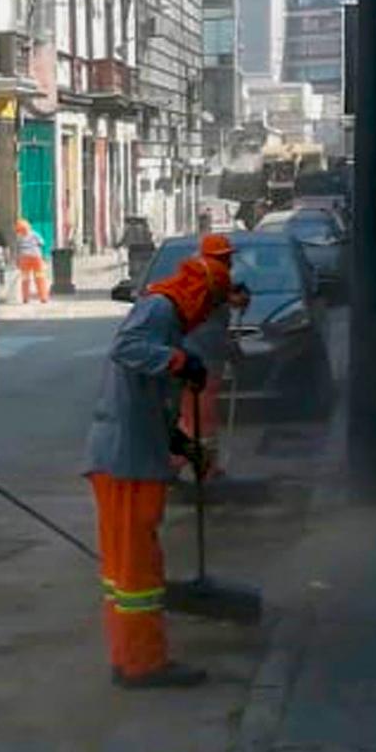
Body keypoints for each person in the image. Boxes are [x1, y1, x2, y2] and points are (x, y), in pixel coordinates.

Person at [86, 250, 231, 689]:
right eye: (211, 305)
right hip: (128, 463)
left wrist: (185, 445)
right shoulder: (159, 309)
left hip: (126, 458)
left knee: (125, 571)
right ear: (200, 294)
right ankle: (143, 664)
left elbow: (151, 402)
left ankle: (127, 654)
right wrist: (179, 362)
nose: (207, 316)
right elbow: (126, 349)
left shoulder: (168, 320)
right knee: (138, 574)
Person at [176, 232, 251, 475]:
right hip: (200, 362)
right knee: (201, 418)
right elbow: (211, 332)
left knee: (194, 416)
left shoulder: (204, 277)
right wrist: (233, 351)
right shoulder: (207, 279)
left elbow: (224, 302)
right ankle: (191, 464)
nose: (228, 263)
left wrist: (235, 298)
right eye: (225, 258)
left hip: (196, 359)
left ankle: (200, 464)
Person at [13, 218, 50, 304]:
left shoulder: (19, 238)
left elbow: (17, 251)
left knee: (25, 279)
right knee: (40, 278)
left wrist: (17, 261)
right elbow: (42, 243)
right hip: (36, 258)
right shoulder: (35, 235)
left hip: (24, 259)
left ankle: (25, 298)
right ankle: (43, 297)